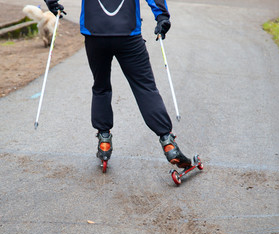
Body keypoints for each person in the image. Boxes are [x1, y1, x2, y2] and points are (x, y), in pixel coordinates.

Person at [44, 0, 193, 168]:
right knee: (145, 88)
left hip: (95, 32)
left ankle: (104, 141)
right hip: (127, 33)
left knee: (101, 86)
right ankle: (168, 143)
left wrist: (51, 2)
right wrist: (162, 17)